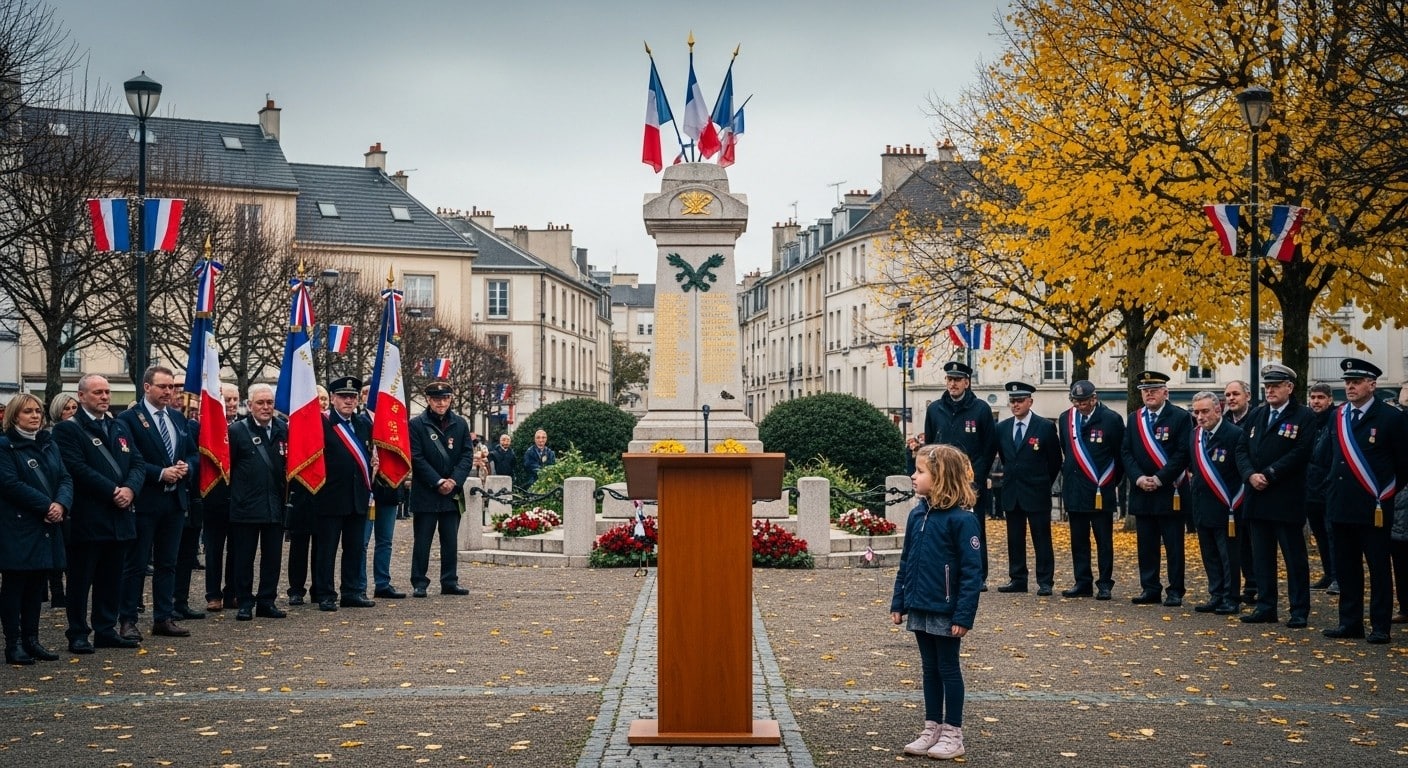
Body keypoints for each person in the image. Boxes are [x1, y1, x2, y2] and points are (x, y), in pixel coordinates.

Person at [891, 444, 982, 760]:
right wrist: (899, 601)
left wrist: (963, 615)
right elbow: (907, 561)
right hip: (920, 604)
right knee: (929, 669)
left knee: (948, 668)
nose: (913, 476)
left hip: (946, 608)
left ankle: (953, 732)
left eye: (920, 471)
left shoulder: (962, 520)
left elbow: (972, 572)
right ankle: (932, 728)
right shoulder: (917, 514)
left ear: (941, 477)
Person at [1313, 358, 1408, 644]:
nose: (1350, 387)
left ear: (1372, 385)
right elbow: (1327, 456)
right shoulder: (1338, 415)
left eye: (1356, 382)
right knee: (1346, 567)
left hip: (1374, 505)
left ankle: (1380, 626)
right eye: (1347, 382)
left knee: (1378, 568)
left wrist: (1386, 492)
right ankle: (1350, 622)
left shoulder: (1391, 417)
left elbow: (1403, 464)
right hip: (1340, 503)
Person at [54, 374, 145, 653]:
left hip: (119, 517)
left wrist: (130, 489)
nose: (104, 397)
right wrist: (113, 491)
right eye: (97, 392)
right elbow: (76, 468)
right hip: (88, 517)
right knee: (81, 580)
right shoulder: (68, 430)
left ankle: (105, 629)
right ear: (81, 396)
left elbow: (137, 462)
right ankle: (78, 632)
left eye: (106, 392)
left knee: (111, 577)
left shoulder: (118, 426)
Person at [116, 365, 198, 641]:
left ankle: (163, 617)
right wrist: (160, 473)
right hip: (145, 501)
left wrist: (187, 467)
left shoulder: (177, 418)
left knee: (168, 563)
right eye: (162, 386)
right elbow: (129, 458)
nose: (168, 392)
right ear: (147, 387)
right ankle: (128, 619)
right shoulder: (129, 419)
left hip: (174, 501)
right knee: (136, 564)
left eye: (171, 387)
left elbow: (192, 453)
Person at [1234, 364, 1315, 627]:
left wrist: (1270, 473)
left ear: (1289, 387)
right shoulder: (1257, 415)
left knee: (1294, 558)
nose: (1269, 390)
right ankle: (1266, 606)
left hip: (1285, 497)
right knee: (1262, 557)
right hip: (1257, 497)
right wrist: (1249, 474)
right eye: (1267, 386)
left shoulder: (1303, 415)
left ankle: (1299, 610)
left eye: (1275, 386)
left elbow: (1301, 451)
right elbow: (1241, 449)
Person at [0, 393, 73, 664]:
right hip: (19, 526)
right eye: (27, 411)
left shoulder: (48, 443)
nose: (34, 416)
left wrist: (62, 504)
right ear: (14, 416)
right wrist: (47, 506)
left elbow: (65, 477)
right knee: (15, 585)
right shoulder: (5, 447)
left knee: (36, 585)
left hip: (47, 525)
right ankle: (14, 643)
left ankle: (32, 640)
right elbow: (10, 484)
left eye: (38, 411)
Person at [923, 360, 997, 588]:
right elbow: (929, 446)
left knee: (973, 530)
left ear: (967, 382)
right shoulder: (935, 409)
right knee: (942, 528)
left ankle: (978, 576)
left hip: (969, 483)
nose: (952, 384)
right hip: (942, 482)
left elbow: (988, 448)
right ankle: (946, 573)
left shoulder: (981, 409)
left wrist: (975, 478)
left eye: (957, 380)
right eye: (949, 379)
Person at [1121, 370, 1192, 607]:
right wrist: (1139, 478)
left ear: (1165, 392)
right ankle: (1150, 588)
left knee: (1174, 546)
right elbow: (1126, 452)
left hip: (1170, 490)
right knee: (1146, 545)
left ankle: (1175, 590)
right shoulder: (1134, 418)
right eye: (1145, 390)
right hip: (1142, 491)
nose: (1149, 394)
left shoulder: (1180, 417)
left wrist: (1160, 478)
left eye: (1154, 390)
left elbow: (1183, 453)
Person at [1057, 380, 1125, 600]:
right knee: (1078, 540)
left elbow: (1119, 455)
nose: (1079, 405)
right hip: (1075, 489)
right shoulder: (1066, 418)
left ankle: (1104, 583)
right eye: (1075, 401)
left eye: (1084, 401)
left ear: (1094, 398)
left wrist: (1109, 482)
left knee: (1103, 541)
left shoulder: (1111, 419)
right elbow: (1066, 449)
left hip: (1100, 490)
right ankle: (1082, 581)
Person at [226, 384, 289, 621]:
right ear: (250, 405)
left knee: (272, 558)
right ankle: (244, 602)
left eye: (269, 403)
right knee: (244, 558)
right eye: (260, 403)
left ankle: (266, 601)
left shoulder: (283, 429)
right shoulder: (237, 431)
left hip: (274, 504)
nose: (265, 407)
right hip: (246, 506)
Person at [313, 376, 376, 612]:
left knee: (354, 548)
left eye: (352, 397)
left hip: (357, 496)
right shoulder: (322, 423)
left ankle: (351, 592)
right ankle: (325, 594)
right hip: (330, 496)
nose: (348, 401)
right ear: (332, 398)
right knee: (327, 550)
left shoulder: (363, 424)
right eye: (343, 396)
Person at [408, 382, 477, 598]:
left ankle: (449, 581)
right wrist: (438, 481)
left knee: (450, 541)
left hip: (452, 492)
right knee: (422, 541)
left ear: (450, 399)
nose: (441, 403)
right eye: (437, 399)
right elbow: (416, 457)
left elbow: (467, 455)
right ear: (428, 400)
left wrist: (454, 481)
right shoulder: (416, 424)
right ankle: (419, 582)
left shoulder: (460, 423)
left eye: (445, 398)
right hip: (426, 491)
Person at [993, 381, 1062, 596]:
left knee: (1041, 538)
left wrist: (1043, 482)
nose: (1015, 405)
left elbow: (1055, 461)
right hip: (1012, 491)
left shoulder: (1045, 426)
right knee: (1015, 539)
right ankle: (1018, 579)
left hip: (1036, 491)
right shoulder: (1002, 428)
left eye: (1020, 401)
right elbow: (1006, 458)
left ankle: (1045, 581)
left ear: (1030, 402)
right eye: (1012, 401)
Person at [1186, 391, 1245, 615]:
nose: (1200, 417)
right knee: (1209, 554)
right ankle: (1216, 594)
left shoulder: (1234, 434)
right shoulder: (1195, 435)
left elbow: (1240, 469)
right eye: (1196, 412)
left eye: (1205, 411)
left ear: (1218, 410)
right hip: (1202, 504)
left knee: (1228, 555)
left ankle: (1231, 597)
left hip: (1227, 505)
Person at [285, 384, 329, 605]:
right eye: (317, 399)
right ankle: (296, 589)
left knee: (322, 546)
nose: (321, 403)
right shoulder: (295, 426)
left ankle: (319, 588)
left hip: (324, 492)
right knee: (299, 545)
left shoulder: (332, 426)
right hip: (301, 492)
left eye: (324, 399)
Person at [202, 383, 242, 612]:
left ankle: (232, 592)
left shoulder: (243, 426)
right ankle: (213, 594)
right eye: (227, 400)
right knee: (214, 549)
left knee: (237, 549)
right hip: (214, 496)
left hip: (238, 497)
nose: (232, 404)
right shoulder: (208, 427)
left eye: (235, 399)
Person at [43, 392, 79, 610]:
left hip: (75, 495)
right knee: (57, 546)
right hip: (56, 494)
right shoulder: (50, 436)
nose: (71, 412)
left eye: (74, 407)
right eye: (67, 408)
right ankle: (56, 591)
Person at [1304, 382, 1338, 594]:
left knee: (1332, 534)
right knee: (1320, 534)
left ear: (1330, 400)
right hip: (1310, 489)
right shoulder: (1308, 421)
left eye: (1320, 398)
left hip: (1328, 488)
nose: (1316, 402)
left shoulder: (1335, 420)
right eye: (1313, 397)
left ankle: (1338, 576)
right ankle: (1328, 573)